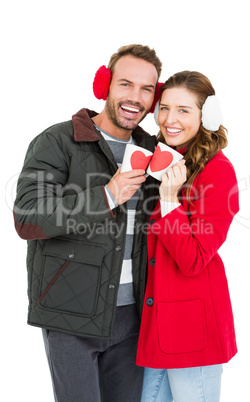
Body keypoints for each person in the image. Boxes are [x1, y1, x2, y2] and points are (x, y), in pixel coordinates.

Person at [13, 44, 162, 402]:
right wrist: (106, 195)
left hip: (133, 319)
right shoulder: (58, 141)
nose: (135, 98)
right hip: (70, 318)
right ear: (105, 85)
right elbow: (28, 217)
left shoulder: (156, 151)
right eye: (126, 84)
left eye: (146, 89)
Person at [136, 71, 239, 402]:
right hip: (155, 325)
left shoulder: (218, 171)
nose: (169, 119)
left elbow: (193, 259)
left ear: (206, 115)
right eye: (164, 108)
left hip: (192, 330)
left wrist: (169, 200)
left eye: (184, 110)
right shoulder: (162, 160)